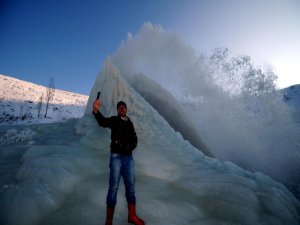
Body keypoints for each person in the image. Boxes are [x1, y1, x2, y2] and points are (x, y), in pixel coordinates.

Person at [93, 98, 145, 225]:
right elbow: (103, 122)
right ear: (117, 110)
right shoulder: (114, 120)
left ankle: (132, 216)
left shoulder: (130, 122)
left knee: (131, 187)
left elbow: (135, 138)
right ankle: (108, 221)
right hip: (116, 157)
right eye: (120, 107)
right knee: (114, 187)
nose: (122, 109)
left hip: (128, 158)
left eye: (124, 107)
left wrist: (130, 147)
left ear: (126, 109)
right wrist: (95, 110)